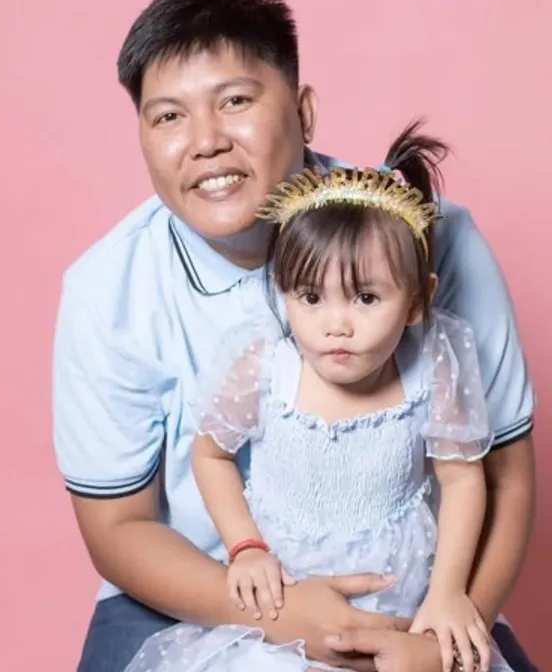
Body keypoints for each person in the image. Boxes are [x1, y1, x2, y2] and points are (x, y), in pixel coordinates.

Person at [53, 0, 536, 672]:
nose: (206, 141)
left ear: (304, 111)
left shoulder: (429, 238)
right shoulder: (106, 290)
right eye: (168, 117)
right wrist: (281, 615)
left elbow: (504, 478)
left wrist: (443, 636)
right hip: (193, 585)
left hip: (412, 587)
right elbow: (118, 525)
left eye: (235, 101)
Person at [123, 125, 511, 672]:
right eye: (310, 297)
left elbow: (463, 478)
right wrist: (245, 548)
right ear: (283, 292)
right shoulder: (266, 366)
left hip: (401, 595)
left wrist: (447, 592)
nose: (336, 325)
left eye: (366, 298)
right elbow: (211, 455)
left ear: (417, 302)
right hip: (287, 596)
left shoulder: (431, 368)